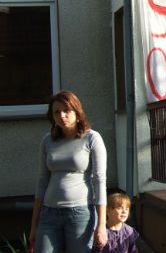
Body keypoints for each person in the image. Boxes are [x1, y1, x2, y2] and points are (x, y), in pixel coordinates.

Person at [29, 90, 108, 253]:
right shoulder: (48, 141)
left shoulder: (92, 138)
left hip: (80, 214)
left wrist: (101, 225)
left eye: (66, 110)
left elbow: (100, 181)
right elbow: (42, 182)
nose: (62, 115)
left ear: (77, 112)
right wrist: (34, 225)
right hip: (49, 214)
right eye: (56, 112)